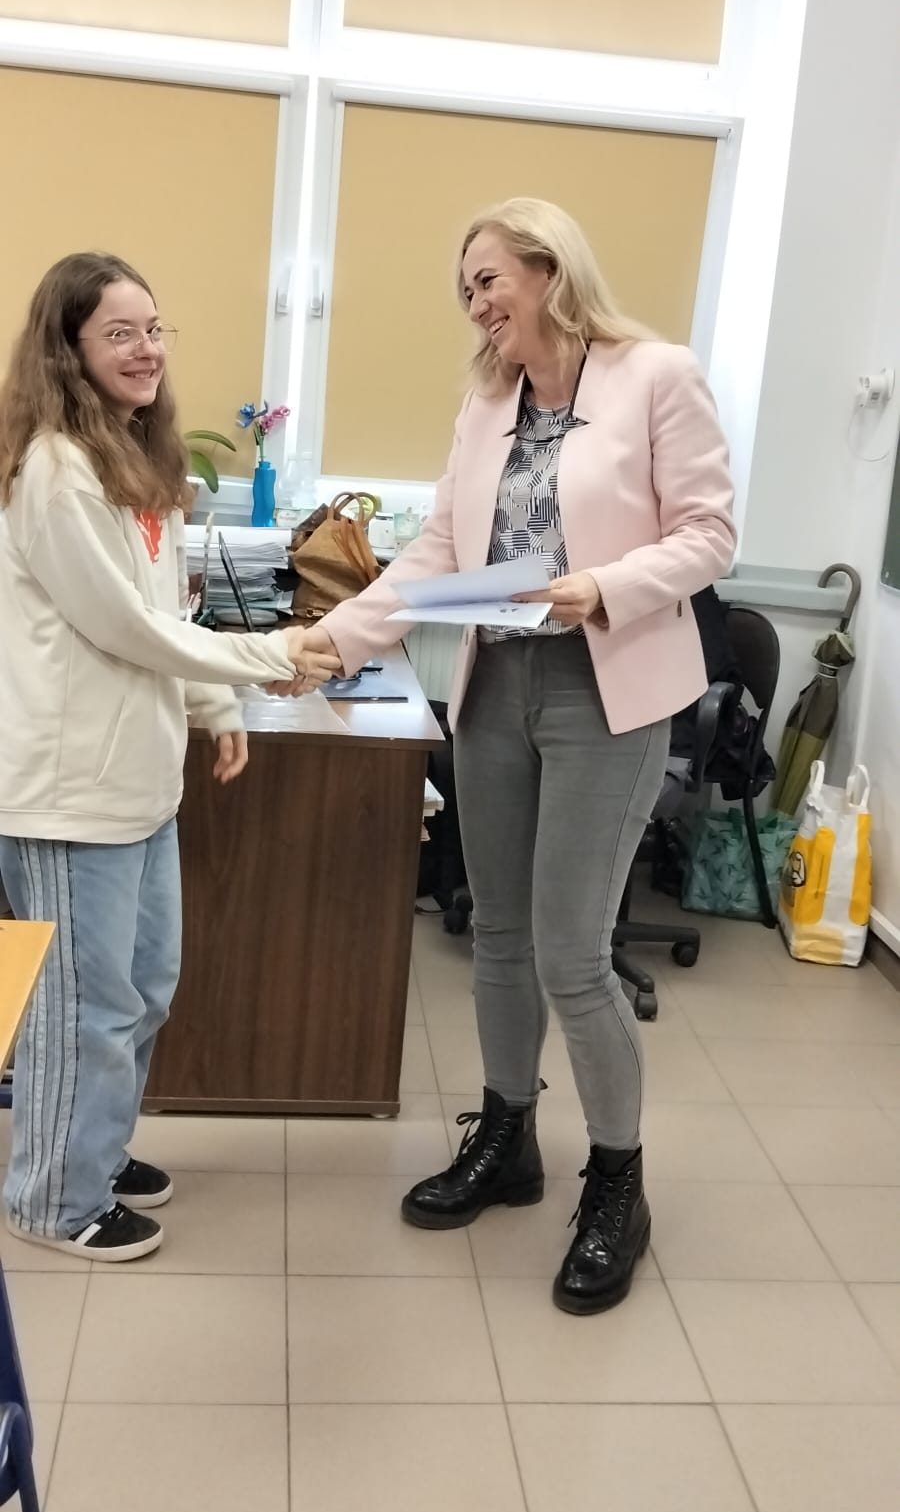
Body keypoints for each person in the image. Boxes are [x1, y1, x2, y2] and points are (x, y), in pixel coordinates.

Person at [287, 197, 736, 1314]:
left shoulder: (656, 375)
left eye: (489, 278)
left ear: (548, 268)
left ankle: (619, 1183)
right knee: (496, 929)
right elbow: (441, 552)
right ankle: (508, 1136)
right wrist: (332, 640)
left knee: (573, 955)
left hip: (608, 687)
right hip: (497, 685)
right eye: (466, 289)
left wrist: (604, 585)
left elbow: (710, 533)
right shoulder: (488, 400)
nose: (477, 302)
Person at [0, 253, 339, 1262]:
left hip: (139, 782)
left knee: (144, 989)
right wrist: (271, 655)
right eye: (120, 332)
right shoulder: (56, 468)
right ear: (68, 349)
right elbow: (119, 624)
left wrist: (216, 699)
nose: (146, 349)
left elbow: (162, 610)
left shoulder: (135, 462)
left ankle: (91, 1152)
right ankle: (52, 1198)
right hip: (66, 793)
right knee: (83, 1008)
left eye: (153, 328)